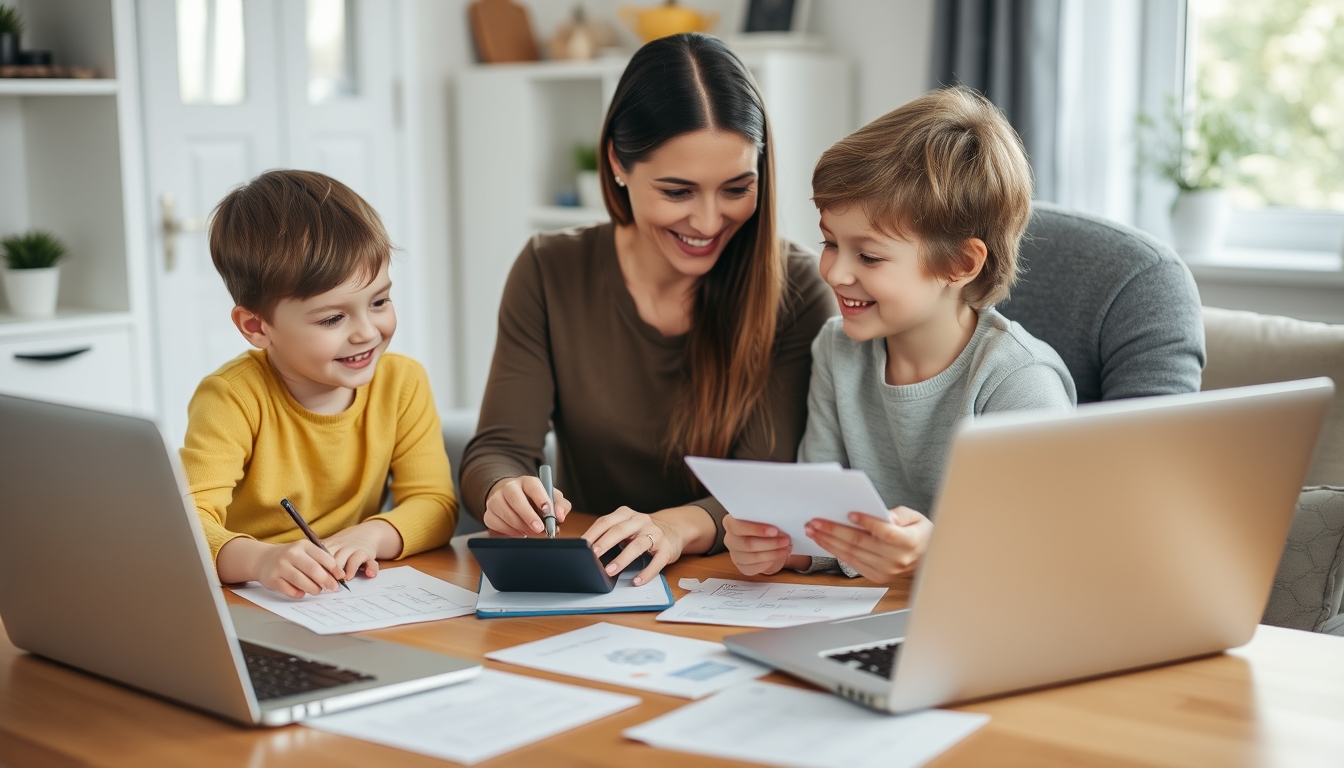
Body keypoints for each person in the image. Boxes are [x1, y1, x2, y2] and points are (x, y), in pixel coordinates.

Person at [459, 33, 834, 587]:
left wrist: (674, 528)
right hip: (593, 584)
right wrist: (503, 491)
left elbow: (768, 489)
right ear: (616, 162)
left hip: (735, 586)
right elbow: (498, 449)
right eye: (678, 192)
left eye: (736, 188)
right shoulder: (549, 269)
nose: (708, 222)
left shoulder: (796, 287)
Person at [723, 86, 1077, 584]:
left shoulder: (1017, 379)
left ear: (960, 263)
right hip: (865, 617)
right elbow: (822, 525)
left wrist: (934, 550)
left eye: (868, 256)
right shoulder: (837, 350)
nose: (835, 272)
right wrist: (783, 546)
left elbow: (1049, 550)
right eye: (829, 242)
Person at [181, 170, 457, 599]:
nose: (367, 332)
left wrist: (369, 537)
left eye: (380, 301)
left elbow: (435, 504)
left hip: (342, 599)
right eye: (332, 318)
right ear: (256, 326)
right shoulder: (231, 397)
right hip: (251, 597)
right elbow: (188, 523)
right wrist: (261, 560)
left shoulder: (402, 382)